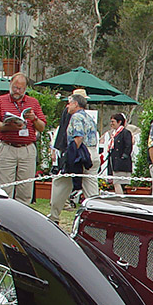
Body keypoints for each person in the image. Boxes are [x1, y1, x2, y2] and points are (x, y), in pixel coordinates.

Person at [0, 71, 47, 204]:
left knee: (25, 188)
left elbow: (42, 127)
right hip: (7, 147)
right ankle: (3, 217)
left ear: (25, 89)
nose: (17, 91)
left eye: (20, 88)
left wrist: (34, 119)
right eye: (15, 87)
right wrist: (8, 126)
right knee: (4, 188)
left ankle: (22, 217)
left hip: (27, 149)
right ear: (10, 85)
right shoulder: (0, 101)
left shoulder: (33, 102)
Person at [49, 93, 98, 225]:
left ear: (76, 104)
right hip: (92, 154)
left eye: (69, 103)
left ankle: (54, 215)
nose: (67, 106)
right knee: (91, 187)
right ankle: (96, 215)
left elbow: (78, 137)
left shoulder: (75, 117)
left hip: (80, 154)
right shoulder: (89, 117)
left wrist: (69, 156)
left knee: (60, 182)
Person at [106, 113, 133, 194]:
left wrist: (123, 157)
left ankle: (120, 198)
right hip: (114, 161)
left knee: (118, 183)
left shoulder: (125, 133)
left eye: (113, 121)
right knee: (116, 182)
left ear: (119, 122)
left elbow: (128, 146)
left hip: (121, 163)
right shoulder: (114, 134)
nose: (111, 124)